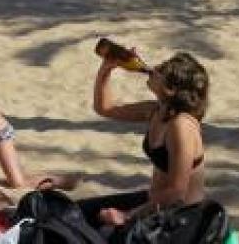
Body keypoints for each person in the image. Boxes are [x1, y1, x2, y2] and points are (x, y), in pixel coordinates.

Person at [77, 52, 209, 238]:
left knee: (97, 234)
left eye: (161, 70)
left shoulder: (182, 126)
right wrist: (106, 69)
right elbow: (105, 108)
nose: (153, 70)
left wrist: (127, 216)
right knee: (78, 213)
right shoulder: (157, 110)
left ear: (170, 89)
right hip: (154, 203)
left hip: (180, 219)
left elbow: (176, 192)